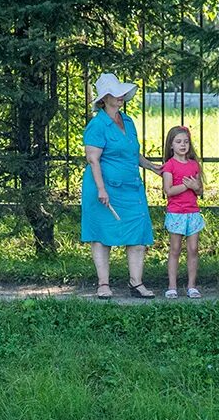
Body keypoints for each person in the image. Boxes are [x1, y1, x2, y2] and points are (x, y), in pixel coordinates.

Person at [82, 73, 162, 299]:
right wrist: (101, 189)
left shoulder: (127, 121)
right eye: (116, 95)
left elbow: (132, 153)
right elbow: (93, 159)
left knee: (137, 235)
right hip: (104, 189)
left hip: (131, 188)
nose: (121, 98)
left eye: (121, 94)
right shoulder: (97, 125)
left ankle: (136, 284)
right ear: (104, 98)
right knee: (102, 235)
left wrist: (152, 167)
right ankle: (103, 284)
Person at [160, 125, 204, 299]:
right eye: (178, 142)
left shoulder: (194, 165)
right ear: (171, 145)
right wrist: (186, 186)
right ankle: (172, 286)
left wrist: (195, 187)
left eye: (186, 141)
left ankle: (191, 285)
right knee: (175, 249)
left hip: (193, 212)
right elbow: (168, 190)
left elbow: (199, 190)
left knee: (193, 249)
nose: (183, 145)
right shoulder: (169, 166)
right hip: (176, 213)